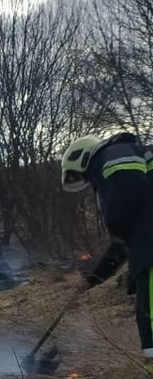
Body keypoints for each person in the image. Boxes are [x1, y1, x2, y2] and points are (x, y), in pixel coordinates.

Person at [61, 132, 153, 361]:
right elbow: (120, 248)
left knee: (151, 319)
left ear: (81, 158)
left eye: (82, 175)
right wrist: (92, 279)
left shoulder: (114, 155)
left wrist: (115, 223)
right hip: (146, 249)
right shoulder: (140, 216)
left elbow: (125, 203)